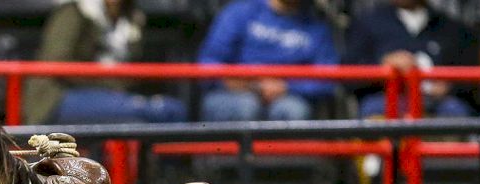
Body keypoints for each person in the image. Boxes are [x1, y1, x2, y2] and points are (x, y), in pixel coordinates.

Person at [23, 0, 186, 126]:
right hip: (58, 97)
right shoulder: (74, 11)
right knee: (140, 114)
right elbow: (56, 63)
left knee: (172, 110)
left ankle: (172, 170)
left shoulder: (132, 18)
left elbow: (133, 69)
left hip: (114, 95)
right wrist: (110, 84)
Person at [197, 0, 338, 122]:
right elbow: (207, 63)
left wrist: (286, 87)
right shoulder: (240, 11)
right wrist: (244, 82)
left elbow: (326, 80)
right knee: (245, 108)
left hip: (289, 95)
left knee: (293, 111)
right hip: (235, 91)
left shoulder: (317, 26)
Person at [344, 0, 478, 118]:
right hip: (384, 99)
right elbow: (348, 76)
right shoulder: (367, 23)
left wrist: (449, 87)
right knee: (373, 109)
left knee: (455, 111)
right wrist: (382, 67)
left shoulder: (452, 29)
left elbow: (471, 80)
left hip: (439, 103)